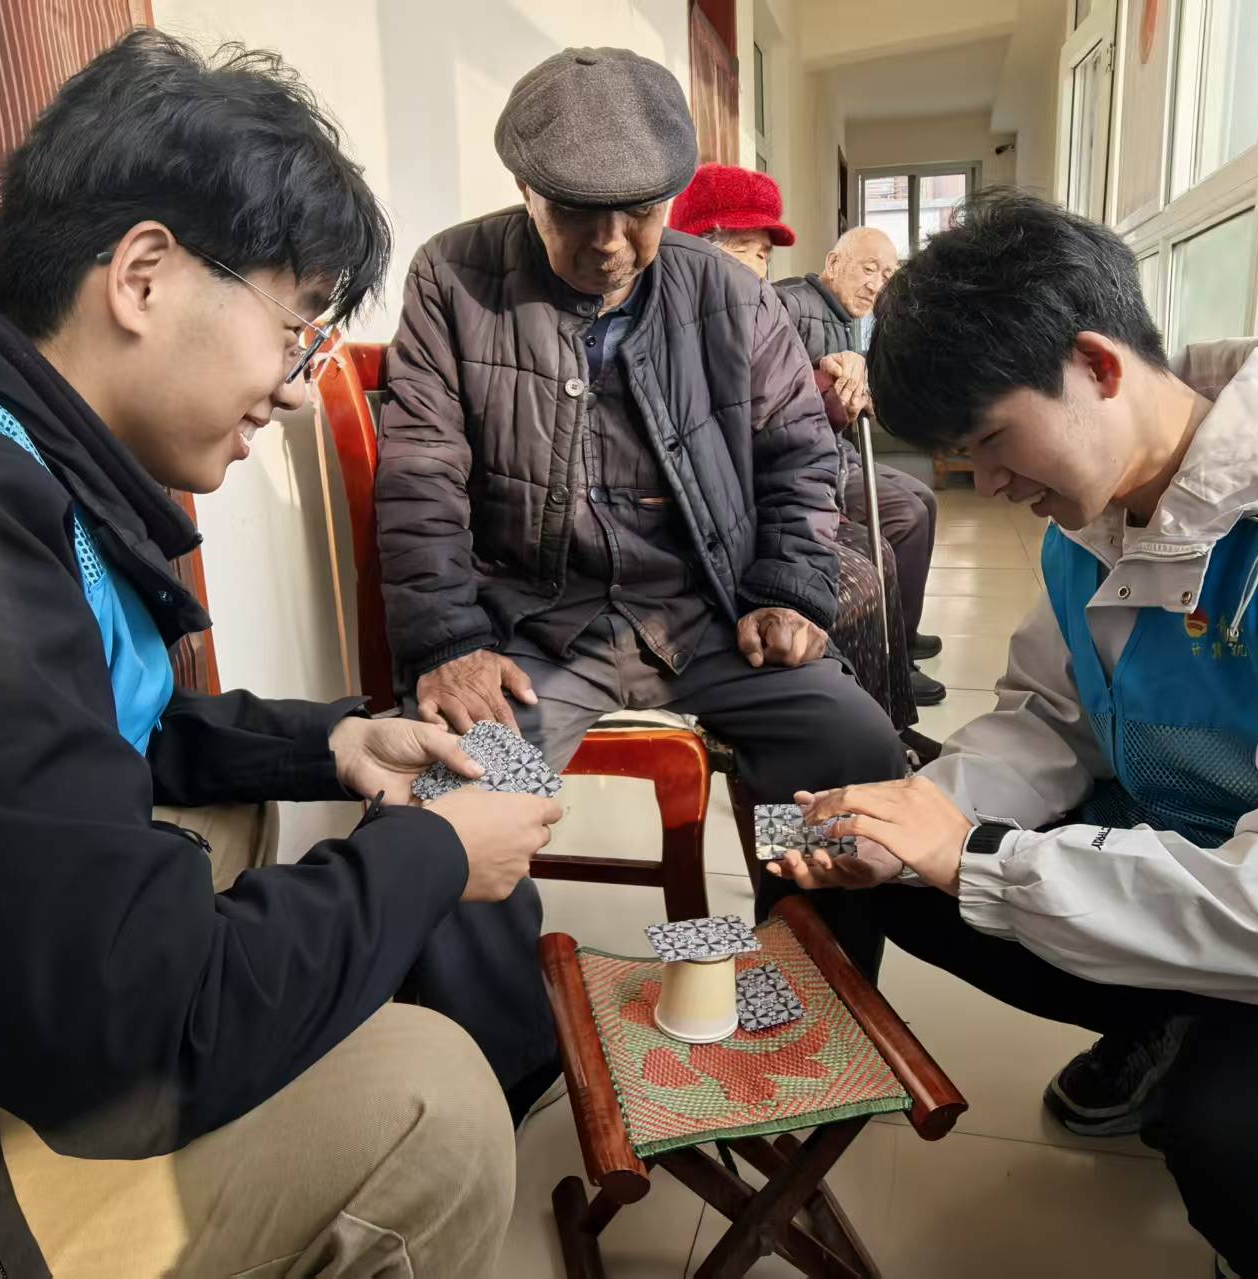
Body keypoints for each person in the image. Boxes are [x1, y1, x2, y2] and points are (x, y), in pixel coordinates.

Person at [0, 32, 559, 1279]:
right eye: (295, 330)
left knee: (227, 821)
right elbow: (139, 1033)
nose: (295, 387)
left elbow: (71, 726)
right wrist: (434, 855)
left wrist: (328, 740)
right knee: (429, 1102)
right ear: (145, 277)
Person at [766, 188, 1258, 1279]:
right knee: (889, 859)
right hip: (1200, 826)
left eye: (990, 440)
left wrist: (980, 858)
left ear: (1096, 365)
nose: (989, 484)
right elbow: (1046, 721)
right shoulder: (1096, 512)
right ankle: (1174, 1018)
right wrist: (929, 820)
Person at [377, 47, 907, 1103]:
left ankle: (806, 988)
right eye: (578, 211)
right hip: (540, 631)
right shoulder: (452, 278)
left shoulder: (728, 292)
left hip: (707, 613)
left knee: (847, 742)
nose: (612, 243)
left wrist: (790, 587)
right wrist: (447, 641)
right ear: (526, 188)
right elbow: (420, 473)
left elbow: (802, 454)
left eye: (642, 211)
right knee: (449, 798)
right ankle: (509, 1064)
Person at [669, 161, 933, 758]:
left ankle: (884, 725)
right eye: (738, 250)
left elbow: (790, 441)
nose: (754, 269)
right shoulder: (678, 331)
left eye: (762, 254)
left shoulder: (754, 320)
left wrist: (828, 381)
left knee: (875, 558)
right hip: (709, 541)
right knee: (852, 578)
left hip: (756, 518)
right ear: (686, 250)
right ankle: (842, 746)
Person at [774, 229, 945, 705]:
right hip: (810, 461)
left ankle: (904, 631)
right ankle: (896, 661)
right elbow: (780, 387)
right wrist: (830, 381)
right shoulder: (791, 303)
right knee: (906, 517)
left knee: (925, 500)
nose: (877, 285)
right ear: (834, 263)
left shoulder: (844, 315)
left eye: (887, 275)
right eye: (869, 269)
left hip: (838, 451)